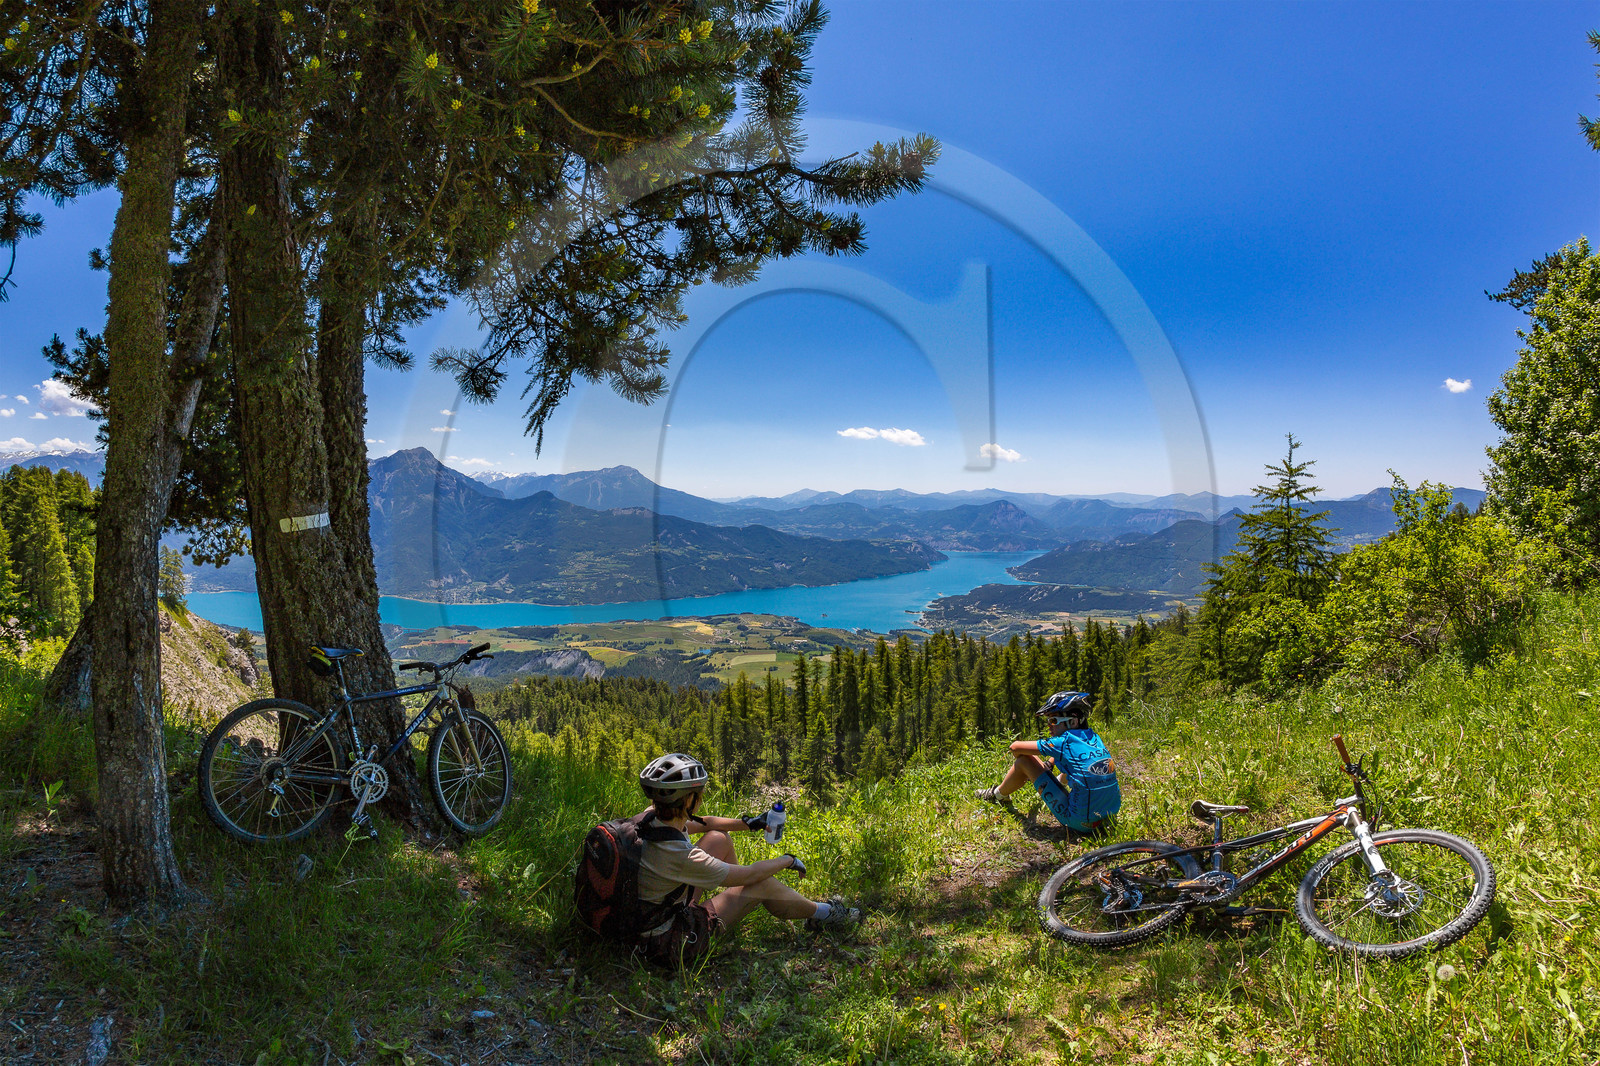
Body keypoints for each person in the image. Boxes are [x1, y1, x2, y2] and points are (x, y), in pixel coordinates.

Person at [633, 752, 860, 968]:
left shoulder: (650, 818)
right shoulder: (681, 856)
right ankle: (824, 913)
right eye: (699, 793)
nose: (701, 798)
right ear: (689, 800)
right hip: (668, 941)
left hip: (650, 912)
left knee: (718, 839)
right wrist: (788, 860)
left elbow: (708, 823)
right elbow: (752, 874)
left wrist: (750, 823)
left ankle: (735, 903)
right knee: (762, 884)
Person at [974, 691, 1121, 833]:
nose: (1049, 725)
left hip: (1080, 823)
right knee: (1073, 767)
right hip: (1109, 818)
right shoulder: (1094, 738)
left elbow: (1015, 747)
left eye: (1053, 720)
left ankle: (997, 795)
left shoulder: (1063, 742)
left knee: (1024, 760)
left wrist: (1033, 768)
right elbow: (1074, 765)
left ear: (1073, 721)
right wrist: (1050, 768)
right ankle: (1051, 783)